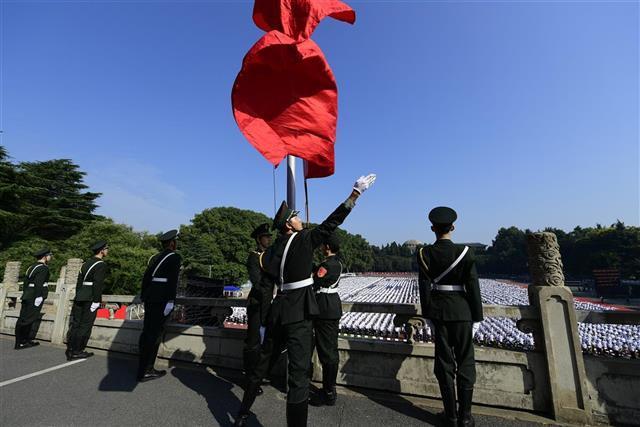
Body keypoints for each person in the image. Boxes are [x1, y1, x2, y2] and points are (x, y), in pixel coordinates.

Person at [235, 174, 376, 427]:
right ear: (289, 225)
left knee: (262, 365)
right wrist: (355, 194)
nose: (301, 219)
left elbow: (268, 272)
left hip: (279, 308)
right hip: (299, 311)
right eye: (296, 217)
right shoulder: (303, 239)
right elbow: (332, 222)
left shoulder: (270, 251)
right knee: (299, 377)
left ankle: (242, 413)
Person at [416, 207, 483, 427]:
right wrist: (477, 317)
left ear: (432, 228)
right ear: (452, 227)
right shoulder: (466, 252)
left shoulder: (423, 253)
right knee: (465, 361)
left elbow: (424, 287)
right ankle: (465, 417)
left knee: (444, 363)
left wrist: (427, 315)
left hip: (439, 313)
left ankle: (451, 416)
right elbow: (473, 286)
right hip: (463, 311)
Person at [137, 229, 182, 382]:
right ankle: (146, 370)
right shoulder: (175, 257)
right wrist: (170, 301)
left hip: (150, 297)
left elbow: (146, 279)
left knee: (147, 331)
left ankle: (142, 366)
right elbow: (173, 281)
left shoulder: (155, 257)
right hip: (162, 299)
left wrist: (144, 295)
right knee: (154, 335)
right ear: (172, 243)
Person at [310, 233, 343, 406]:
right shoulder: (336, 263)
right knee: (329, 350)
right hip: (331, 307)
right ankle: (329, 389)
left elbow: (315, 281)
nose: (321, 248)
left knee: (327, 352)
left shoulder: (327, 264)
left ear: (327, 247)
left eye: (323, 245)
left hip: (325, 309)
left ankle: (328, 391)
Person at [66, 240, 109, 360]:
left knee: (76, 324)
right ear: (101, 251)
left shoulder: (85, 264)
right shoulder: (100, 264)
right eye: (106, 249)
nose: (107, 251)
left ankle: (70, 349)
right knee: (85, 325)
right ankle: (77, 350)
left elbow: (79, 283)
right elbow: (98, 284)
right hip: (90, 297)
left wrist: (79, 294)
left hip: (80, 296)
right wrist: (96, 300)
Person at [244, 223, 274, 394]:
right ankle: (250, 380)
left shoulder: (268, 256)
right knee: (253, 343)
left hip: (267, 305)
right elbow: (258, 283)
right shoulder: (254, 257)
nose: (269, 239)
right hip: (257, 305)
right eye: (266, 237)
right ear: (259, 239)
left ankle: (258, 375)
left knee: (264, 343)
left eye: (269, 236)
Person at [14, 248, 52, 350]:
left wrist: (26, 293)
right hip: (35, 295)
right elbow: (39, 283)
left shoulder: (31, 267)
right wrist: (39, 296)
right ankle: (21, 342)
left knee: (23, 318)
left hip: (28, 294)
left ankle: (23, 341)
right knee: (28, 319)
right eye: (49, 255)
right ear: (45, 256)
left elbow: (26, 283)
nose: (50, 257)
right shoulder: (43, 268)